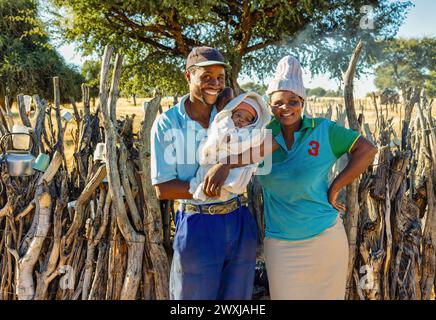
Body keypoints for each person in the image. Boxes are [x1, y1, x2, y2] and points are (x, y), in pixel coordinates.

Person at [203, 55, 378, 299]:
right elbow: (234, 142)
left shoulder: (323, 129)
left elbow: (367, 150)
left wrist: (335, 186)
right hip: (281, 243)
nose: (286, 108)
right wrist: (224, 163)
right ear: (270, 105)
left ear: (302, 102)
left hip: (325, 238)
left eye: (293, 101)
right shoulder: (261, 133)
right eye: (279, 103)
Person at [150, 47, 257, 300]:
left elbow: (264, 146)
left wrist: (227, 164)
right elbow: (163, 188)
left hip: (238, 218)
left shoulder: (231, 115)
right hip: (198, 222)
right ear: (188, 76)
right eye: (207, 76)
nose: (215, 83)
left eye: (220, 77)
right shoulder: (168, 123)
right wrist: (208, 186)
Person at [189, 92, 270, 201]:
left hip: (236, 161)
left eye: (247, 119)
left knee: (237, 175)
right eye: (238, 115)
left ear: (253, 123)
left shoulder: (251, 134)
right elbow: (213, 137)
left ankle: (220, 189)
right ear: (231, 114)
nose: (241, 120)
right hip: (217, 156)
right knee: (206, 171)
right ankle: (202, 186)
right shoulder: (224, 124)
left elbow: (251, 147)